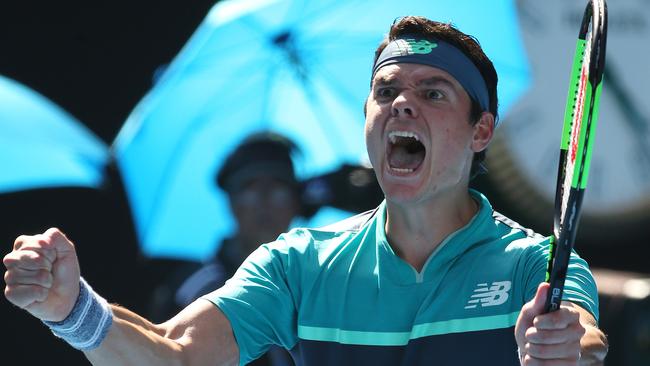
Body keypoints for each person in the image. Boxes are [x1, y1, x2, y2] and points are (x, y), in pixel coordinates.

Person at [3, 16, 608, 365]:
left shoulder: (540, 266)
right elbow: (177, 354)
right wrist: (73, 313)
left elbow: (585, 339)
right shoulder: (295, 265)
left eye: (432, 92)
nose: (401, 102)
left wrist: (566, 348)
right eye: (386, 90)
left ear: (482, 131)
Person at [148, 132, 302, 365]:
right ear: (232, 203)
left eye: (277, 185)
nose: (264, 199)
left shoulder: (317, 284)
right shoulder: (197, 289)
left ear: (295, 202)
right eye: (250, 186)